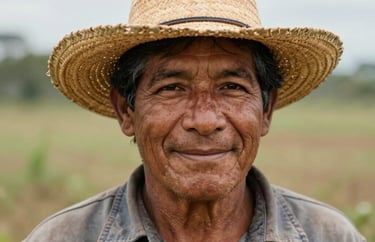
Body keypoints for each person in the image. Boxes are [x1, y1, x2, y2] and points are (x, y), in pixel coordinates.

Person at [24, 0, 366, 241]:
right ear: (125, 111)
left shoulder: (328, 235)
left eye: (232, 87)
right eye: (172, 87)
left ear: (266, 110)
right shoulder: (63, 237)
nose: (204, 120)